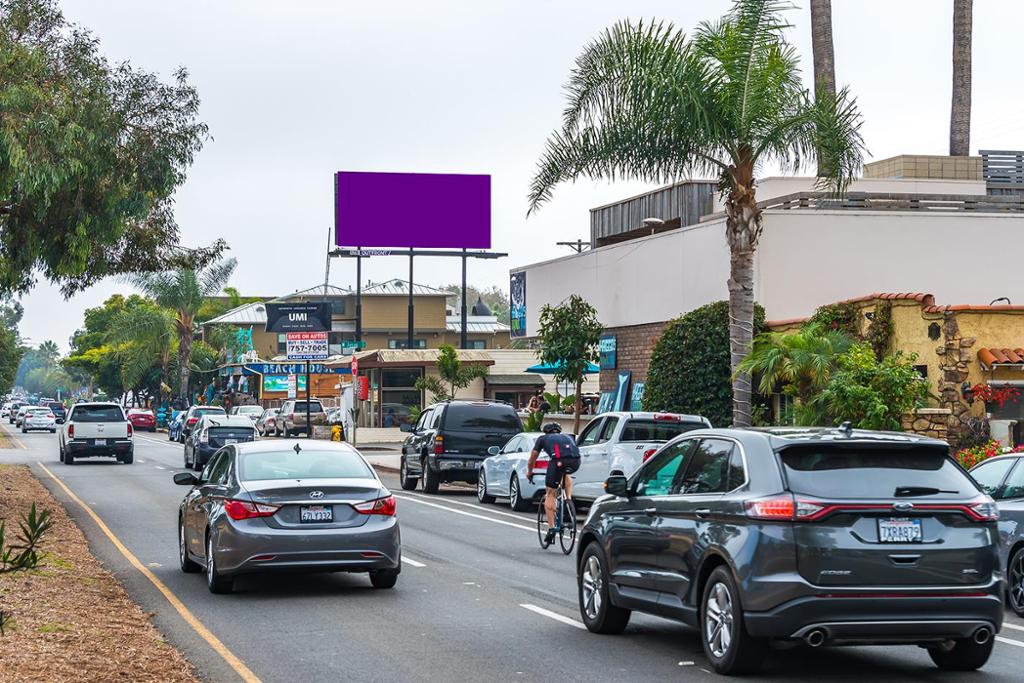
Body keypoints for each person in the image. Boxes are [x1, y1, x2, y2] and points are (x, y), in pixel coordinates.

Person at [527, 422, 581, 545]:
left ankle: (551, 528)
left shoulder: (543, 439)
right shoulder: (568, 436)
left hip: (558, 461)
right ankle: (568, 500)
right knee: (566, 473)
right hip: (576, 461)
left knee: (550, 493)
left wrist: (529, 472)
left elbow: (532, 458)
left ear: (546, 432)